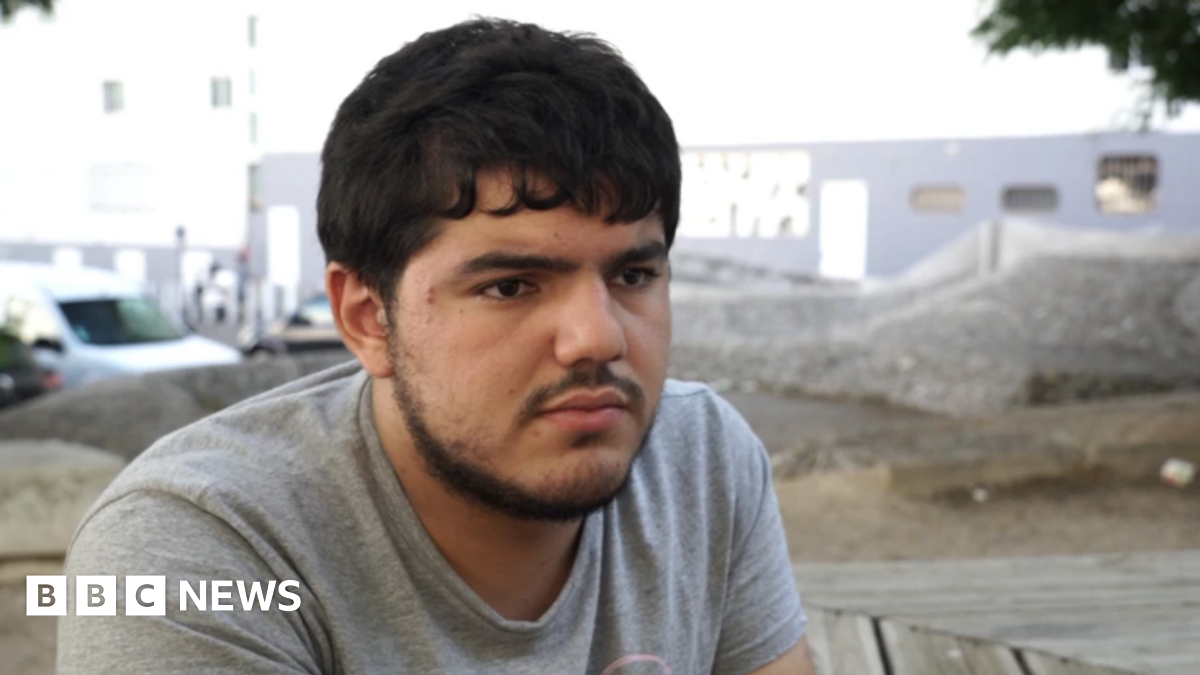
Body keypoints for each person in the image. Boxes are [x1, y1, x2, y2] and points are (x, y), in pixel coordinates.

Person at [58, 17, 814, 675]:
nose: (600, 335)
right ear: (366, 317)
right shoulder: (193, 549)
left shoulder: (703, 460)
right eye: (511, 285)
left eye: (634, 273)